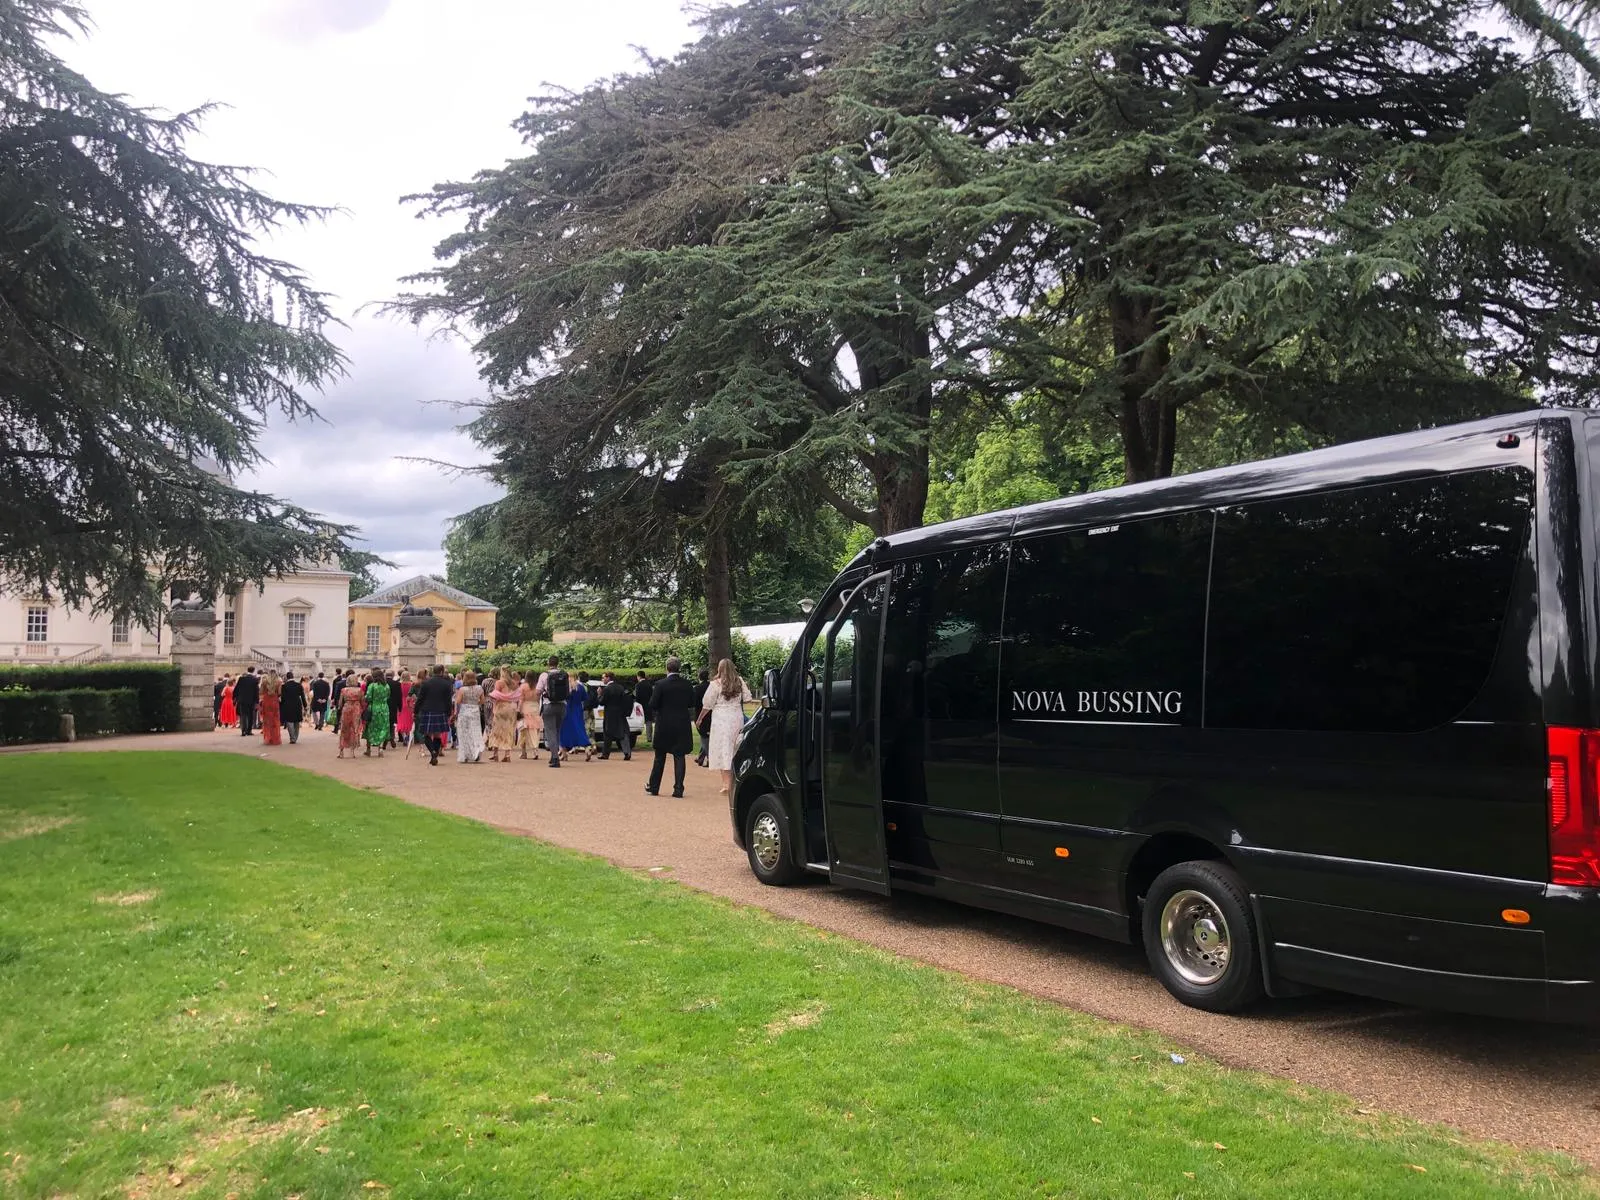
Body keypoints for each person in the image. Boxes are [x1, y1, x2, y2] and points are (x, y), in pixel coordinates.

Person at [700, 658, 754, 797]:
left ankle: (726, 784)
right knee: (735, 747)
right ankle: (735, 781)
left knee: (723, 748)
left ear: (719, 668)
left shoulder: (715, 684)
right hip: (736, 717)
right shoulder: (739, 681)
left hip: (721, 718)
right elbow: (748, 698)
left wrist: (700, 718)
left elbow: (707, 704)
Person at [646, 657, 697, 798]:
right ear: (679, 668)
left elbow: (653, 704)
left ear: (667, 668)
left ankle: (654, 787)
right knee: (679, 756)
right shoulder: (687, 684)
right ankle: (678, 788)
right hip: (681, 723)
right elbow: (691, 703)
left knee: (659, 756)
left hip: (664, 723)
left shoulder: (660, 684)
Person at [412, 665, 454, 766]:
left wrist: (415, 711)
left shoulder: (426, 683)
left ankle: (433, 752)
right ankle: (434, 753)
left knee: (426, 734)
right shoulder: (447, 684)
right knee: (437, 735)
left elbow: (420, 699)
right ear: (442, 672)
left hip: (427, 710)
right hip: (441, 711)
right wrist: (449, 713)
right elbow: (448, 701)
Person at [536, 656, 570, 770]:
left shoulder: (544, 675)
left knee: (550, 733)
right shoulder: (564, 674)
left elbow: (538, 691)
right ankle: (553, 755)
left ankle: (555, 758)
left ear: (548, 663)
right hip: (562, 705)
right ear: (558, 663)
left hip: (548, 705)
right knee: (557, 731)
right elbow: (569, 691)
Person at [597, 671, 632, 761]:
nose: (602, 679)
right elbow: (625, 700)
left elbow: (602, 702)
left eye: (603, 677)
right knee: (622, 733)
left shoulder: (607, 689)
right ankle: (627, 752)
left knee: (607, 734)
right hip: (620, 713)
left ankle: (605, 754)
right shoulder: (620, 687)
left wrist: (599, 694)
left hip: (609, 714)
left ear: (608, 678)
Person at [560, 670, 595, 761]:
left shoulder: (565, 687)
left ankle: (564, 753)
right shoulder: (580, 687)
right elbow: (584, 698)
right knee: (580, 729)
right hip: (578, 710)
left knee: (564, 731)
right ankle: (587, 748)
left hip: (567, 710)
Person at [486, 668, 519, 763]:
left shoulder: (499, 682)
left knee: (496, 730)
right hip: (511, 707)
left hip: (501, 707)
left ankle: (495, 754)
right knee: (509, 730)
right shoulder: (514, 683)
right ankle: (507, 755)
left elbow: (495, 695)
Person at [454, 670, 486, 763]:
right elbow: (482, 701)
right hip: (475, 711)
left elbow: (458, 701)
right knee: (475, 732)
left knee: (464, 733)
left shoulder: (462, 689)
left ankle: (465, 755)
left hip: (464, 711)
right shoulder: (479, 688)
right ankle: (476, 750)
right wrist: (476, 703)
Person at [336, 673, 366, 758]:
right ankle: (352, 751)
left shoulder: (344, 690)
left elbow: (340, 703)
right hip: (356, 709)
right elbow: (363, 702)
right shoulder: (360, 690)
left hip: (346, 709)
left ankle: (341, 751)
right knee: (354, 729)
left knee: (344, 729)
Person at [363, 670, 391, 758]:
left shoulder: (372, 686)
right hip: (384, 708)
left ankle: (368, 749)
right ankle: (380, 748)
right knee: (382, 727)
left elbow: (368, 697)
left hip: (374, 708)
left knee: (370, 727)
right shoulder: (386, 686)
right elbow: (388, 696)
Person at [517, 672, 540, 760]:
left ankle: (523, 752)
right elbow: (538, 699)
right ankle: (535, 750)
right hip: (535, 707)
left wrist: (518, 710)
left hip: (525, 707)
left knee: (523, 731)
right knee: (534, 730)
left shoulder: (523, 686)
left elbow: (521, 699)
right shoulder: (537, 686)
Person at [279, 672, 307, 745]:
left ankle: (292, 737)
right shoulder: (298, 685)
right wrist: (305, 705)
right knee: (296, 721)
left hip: (287, 704)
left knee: (289, 721)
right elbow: (303, 696)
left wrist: (281, 706)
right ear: (293, 676)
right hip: (297, 703)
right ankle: (295, 737)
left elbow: (283, 698)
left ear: (287, 677)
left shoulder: (284, 686)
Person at [232, 667, 260, 737]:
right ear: (253, 671)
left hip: (242, 700)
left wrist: (235, 698)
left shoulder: (241, 679)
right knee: (250, 715)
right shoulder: (255, 679)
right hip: (251, 700)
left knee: (243, 715)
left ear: (247, 670)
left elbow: (236, 689)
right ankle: (249, 731)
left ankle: (243, 731)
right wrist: (257, 701)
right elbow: (256, 691)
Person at [694, 666, 712, 767]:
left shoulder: (697, 688)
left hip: (700, 713)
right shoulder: (711, 686)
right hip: (711, 714)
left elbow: (694, 702)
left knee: (704, 736)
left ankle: (709, 757)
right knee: (704, 735)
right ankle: (701, 757)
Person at [259, 670, 284, 746]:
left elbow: (261, 692)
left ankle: (267, 737)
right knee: (275, 720)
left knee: (267, 720)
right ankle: (275, 738)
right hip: (274, 700)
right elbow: (279, 693)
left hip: (266, 700)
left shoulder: (264, 682)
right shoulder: (279, 682)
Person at [635, 670, 656, 746]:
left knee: (638, 720)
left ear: (639, 676)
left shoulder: (638, 685)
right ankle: (649, 737)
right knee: (649, 721)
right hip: (649, 705)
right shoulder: (649, 684)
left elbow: (637, 696)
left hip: (641, 705)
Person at [395, 670, 414, 747]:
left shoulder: (399, 685)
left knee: (401, 721)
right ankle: (408, 735)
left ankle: (404, 736)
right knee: (409, 721)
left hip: (401, 703)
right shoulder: (411, 685)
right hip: (409, 703)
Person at [330, 670, 347, 735]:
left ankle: (336, 729)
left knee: (338, 715)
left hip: (339, 701)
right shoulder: (351, 683)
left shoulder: (338, 682)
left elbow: (336, 693)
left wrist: (333, 700)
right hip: (348, 701)